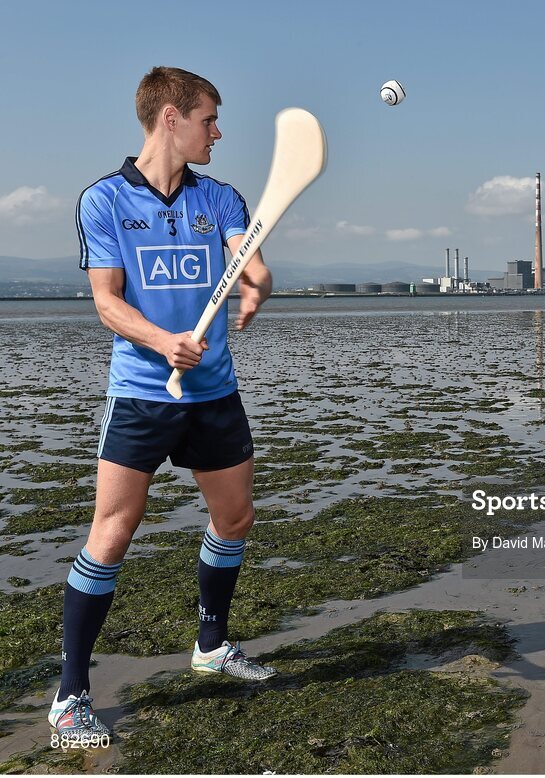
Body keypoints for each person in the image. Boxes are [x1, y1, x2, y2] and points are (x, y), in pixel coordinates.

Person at [49, 66, 276, 742]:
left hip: (214, 393)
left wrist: (259, 281)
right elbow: (107, 302)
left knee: (234, 519)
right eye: (209, 118)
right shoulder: (104, 201)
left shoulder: (221, 198)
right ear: (170, 117)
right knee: (113, 531)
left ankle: (210, 645)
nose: (219, 131)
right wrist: (163, 341)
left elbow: (247, 259)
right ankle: (70, 696)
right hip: (143, 394)